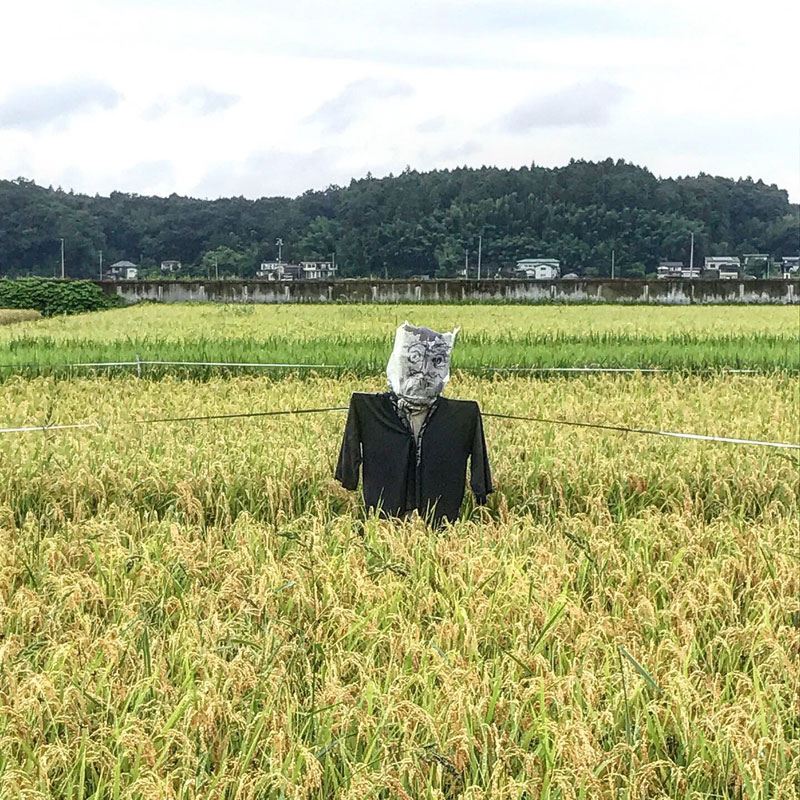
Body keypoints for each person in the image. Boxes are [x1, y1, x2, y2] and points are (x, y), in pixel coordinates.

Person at [335, 321, 492, 525]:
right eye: (415, 360)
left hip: (440, 519)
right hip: (386, 518)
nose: (424, 371)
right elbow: (349, 458)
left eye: (435, 362)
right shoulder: (369, 410)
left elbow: (479, 466)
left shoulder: (461, 417)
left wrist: (480, 490)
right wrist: (349, 477)